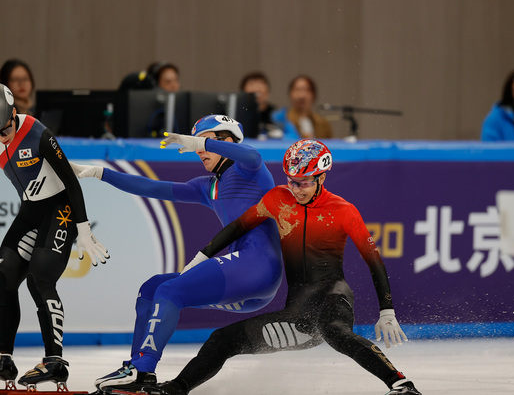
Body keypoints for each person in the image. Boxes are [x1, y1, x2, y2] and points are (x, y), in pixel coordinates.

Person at [102, 139, 422, 395]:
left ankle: (400, 384)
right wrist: (201, 257)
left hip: (332, 299)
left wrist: (387, 310)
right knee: (221, 340)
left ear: (322, 177)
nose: (297, 189)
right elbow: (238, 227)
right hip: (296, 317)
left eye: (305, 183)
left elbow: (373, 260)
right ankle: (173, 390)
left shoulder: (344, 211)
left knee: (336, 331)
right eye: (292, 181)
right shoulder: (277, 198)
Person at [70, 115, 282, 391]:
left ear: (227, 141)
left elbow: (252, 154)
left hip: (260, 267)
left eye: (206, 142)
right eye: (197, 144)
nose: (199, 150)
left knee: (171, 291)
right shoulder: (207, 187)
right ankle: (137, 367)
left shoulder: (248, 171)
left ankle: (144, 368)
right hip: (249, 287)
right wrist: (101, 173)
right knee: (153, 287)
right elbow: (152, 188)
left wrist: (200, 140)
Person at [0, 84, 109, 390]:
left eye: (6, 128)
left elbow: (71, 182)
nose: (4, 137)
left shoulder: (36, 130)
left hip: (60, 208)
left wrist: (83, 229)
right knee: (3, 272)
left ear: (13, 114)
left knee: (40, 278)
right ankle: (3, 358)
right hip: (31, 211)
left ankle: (55, 363)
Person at [272, 75, 333, 139]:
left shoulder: (322, 123)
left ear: (314, 95)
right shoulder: (282, 120)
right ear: (290, 93)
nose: (302, 95)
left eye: (307, 90)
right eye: (298, 90)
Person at [239, 71, 282, 139]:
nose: (256, 88)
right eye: (252, 84)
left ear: (268, 92)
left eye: (261, 84)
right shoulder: (237, 116)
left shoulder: (277, 115)